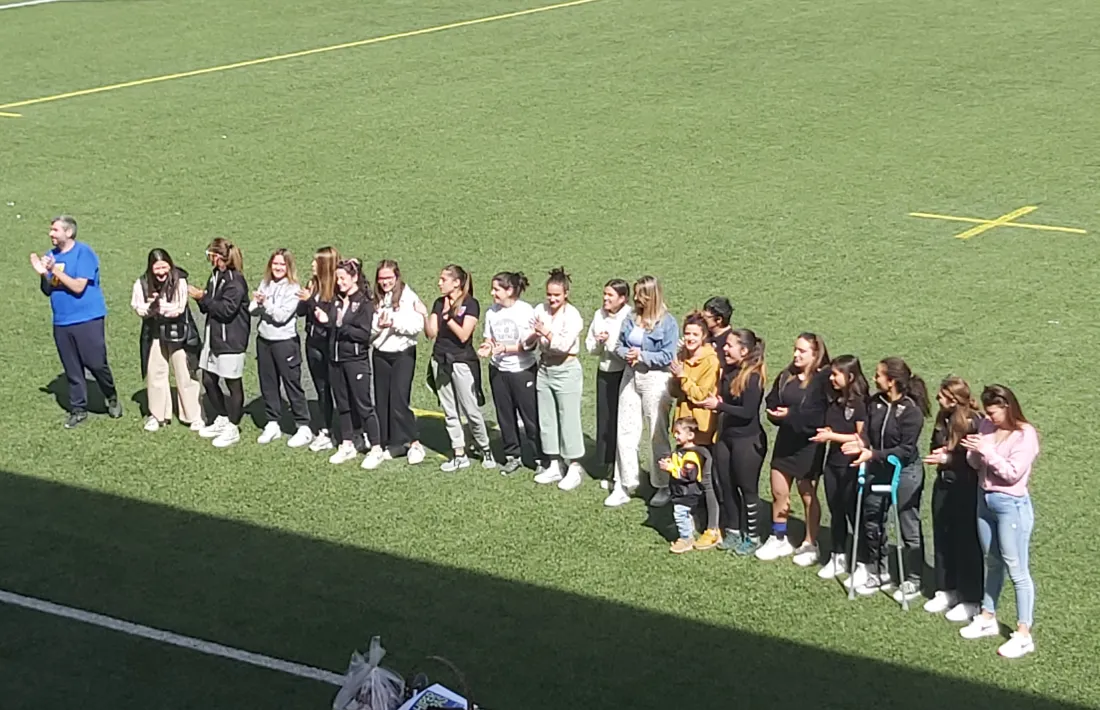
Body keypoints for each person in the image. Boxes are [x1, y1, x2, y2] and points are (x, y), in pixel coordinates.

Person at [958, 385, 1039, 659]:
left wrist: (987, 451)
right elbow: (976, 465)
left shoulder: (1025, 435)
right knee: (991, 561)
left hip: (1011, 506)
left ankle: (1024, 634)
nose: (989, 418)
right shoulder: (986, 426)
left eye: (994, 413)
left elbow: (1012, 474)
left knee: (1017, 570)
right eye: (988, 413)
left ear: (1007, 407)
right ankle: (987, 617)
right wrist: (974, 451)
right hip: (985, 500)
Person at [843, 357, 929, 601]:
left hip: (904, 472)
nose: (874, 378)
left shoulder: (911, 411)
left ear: (891, 381)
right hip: (877, 468)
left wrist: (873, 454)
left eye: (879, 375)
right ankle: (877, 570)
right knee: (873, 521)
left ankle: (913, 578)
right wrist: (859, 445)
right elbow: (867, 434)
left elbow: (905, 450)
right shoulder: (875, 402)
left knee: (907, 526)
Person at [30, 215, 122, 428]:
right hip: (62, 321)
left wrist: (52, 270)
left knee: (96, 363)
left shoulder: (84, 253)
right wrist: (43, 274)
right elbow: (47, 290)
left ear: (68, 233)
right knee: (72, 368)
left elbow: (79, 287)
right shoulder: (51, 255)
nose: (50, 234)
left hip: (87, 318)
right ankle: (78, 409)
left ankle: (111, 395)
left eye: (55, 230)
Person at [604, 276, 678, 508]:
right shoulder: (631, 317)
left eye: (641, 295)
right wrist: (628, 354)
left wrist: (643, 355)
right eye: (636, 294)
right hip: (630, 374)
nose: (637, 299)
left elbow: (668, 355)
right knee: (625, 429)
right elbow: (619, 344)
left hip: (656, 378)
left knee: (657, 432)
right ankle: (624, 483)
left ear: (652, 295)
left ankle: (663, 484)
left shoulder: (667, 322)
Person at [757, 333, 830, 564]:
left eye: (802, 351)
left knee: (808, 494)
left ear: (815, 354)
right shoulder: (787, 375)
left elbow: (818, 415)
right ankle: (779, 537)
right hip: (786, 440)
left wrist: (790, 414)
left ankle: (810, 542)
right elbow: (773, 399)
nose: (796, 354)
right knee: (779, 491)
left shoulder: (822, 381)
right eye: (795, 349)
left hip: (809, 444)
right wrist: (775, 413)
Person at [922, 376, 983, 620]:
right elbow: (934, 444)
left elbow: (975, 461)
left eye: (942, 394)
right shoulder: (943, 418)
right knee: (943, 536)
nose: (938, 398)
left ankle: (971, 598)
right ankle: (947, 589)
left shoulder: (973, 422)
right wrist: (939, 454)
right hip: (944, 484)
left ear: (953, 398)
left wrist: (948, 458)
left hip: (965, 488)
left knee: (966, 542)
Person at [315, 259, 386, 468]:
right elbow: (332, 325)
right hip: (336, 360)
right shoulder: (338, 301)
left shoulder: (364, 303)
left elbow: (363, 334)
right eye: (337, 278)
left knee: (364, 406)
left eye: (343, 278)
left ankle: (376, 447)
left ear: (354, 278)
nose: (339, 282)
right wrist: (326, 321)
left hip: (356, 361)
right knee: (343, 404)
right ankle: (347, 444)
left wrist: (338, 324)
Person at [702, 329, 767, 556]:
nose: (724, 349)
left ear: (744, 350)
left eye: (729, 346)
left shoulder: (754, 377)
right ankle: (732, 530)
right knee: (726, 485)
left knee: (747, 489)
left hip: (748, 443)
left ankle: (753, 536)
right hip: (727, 438)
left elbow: (748, 412)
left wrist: (719, 406)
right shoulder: (729, 372)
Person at [426, 265, 495, 472]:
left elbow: (464, 335)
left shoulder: (470, 304)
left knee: (471, 409)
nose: (439, 283)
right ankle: (459, 452)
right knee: (449, 410)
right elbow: (431, 333)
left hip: (462, 361)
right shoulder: (439, 303)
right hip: (440, 360)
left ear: (456, 282)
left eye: (443, 279)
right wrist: (424, 315)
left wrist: (448, 317)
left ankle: (485, 448)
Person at [131, 248, 202, 431]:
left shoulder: (180, 281)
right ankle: (157, 415)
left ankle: (193, 415)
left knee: (184, 372)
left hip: (179, 332)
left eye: (164, 267)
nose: (162, 272)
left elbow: (178, 308)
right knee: (156, 372)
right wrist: (150, 308)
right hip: (154, 332)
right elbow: (138, 307)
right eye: (157, 268)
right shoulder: (142, 283)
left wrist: (157, 305)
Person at [810, 355, 869, 580]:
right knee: (836, 512)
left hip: (852, 466)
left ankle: (862, 562)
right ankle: (838, 556)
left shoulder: (861, 404)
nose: (832, 378)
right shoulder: (835, 400)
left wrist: (831, 435)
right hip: (833, 464)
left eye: (837, 374)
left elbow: (861, 436)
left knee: (855, 514)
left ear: (850, 376)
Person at [529, 268, 586, 490]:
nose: (552, 299)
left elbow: (563, 345)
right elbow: (529, 338)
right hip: (545, 369)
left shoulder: (572, 316)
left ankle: (573, 466)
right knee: (547, 418)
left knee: (568, 419)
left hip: (566, 370)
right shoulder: (540, 310)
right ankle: (554, 463)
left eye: (557, 295)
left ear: (566, 294)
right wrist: (533, 335)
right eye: (549, 294)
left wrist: (545, 332)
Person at [189, 238, 249, 448]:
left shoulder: (235, 281)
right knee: (208, 379)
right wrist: (201, 298)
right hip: (213, 338)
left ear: (218, 256)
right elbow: (209, 307)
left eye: (210, 255)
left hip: (230, 340)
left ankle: (233, 426)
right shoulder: (215, 277)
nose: (208, 259)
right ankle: (222, 417)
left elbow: (226, 310)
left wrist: (202, 298)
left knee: (233, 384)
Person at [479, 271, 540, 476]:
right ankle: (512, 455)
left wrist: (505, 349)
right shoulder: (491, 312)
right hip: (498, 371)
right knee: (505, 416)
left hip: (523, 371)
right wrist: (487, 347)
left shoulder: (525, 311)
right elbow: (489, 338)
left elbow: (530, 345)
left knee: (530, 417)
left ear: (510, 290)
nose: (492, 293)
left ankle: (540, 456)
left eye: (497, 289)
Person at [250, 249, 313, 448]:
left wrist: (265, 303)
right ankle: (272, 423)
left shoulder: (293, 288)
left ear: (288, 267)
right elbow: (252, 310)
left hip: (285, 343)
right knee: (268, 383)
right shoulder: (265, 283)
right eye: (275, 264)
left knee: (291, 384)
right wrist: (258, 303)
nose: (278, 268)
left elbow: (281, 317)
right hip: (264, 340)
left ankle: (303, 426)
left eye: (282, 265)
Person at [372, 259, 428, 466]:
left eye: (389, 278)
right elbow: (369, 330)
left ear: (397, 277)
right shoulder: (376, 298)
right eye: (381, 278)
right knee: (382, 401)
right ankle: (394, 442)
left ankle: (414, 443)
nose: (385, 282)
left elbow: (417, 326)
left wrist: (394, 323)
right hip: (380, 354)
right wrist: (378, 327)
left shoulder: (408, 297)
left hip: (403, 355)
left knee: (398, 401)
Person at [584, 279, 631, 482]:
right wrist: (598, 342)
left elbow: (626, 350)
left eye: (610, 295)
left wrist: (609, 342)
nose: (605, 298)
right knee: (605, 420)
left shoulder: (629, 316)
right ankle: (606, 464)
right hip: (604, 372)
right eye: (605, 294)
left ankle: (620, 468)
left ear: (622, 298)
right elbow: (590, 347)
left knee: (621, 420)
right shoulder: (599, 314)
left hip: (623, 374)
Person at [298, 246, 341, 452]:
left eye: (316, 262)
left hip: (331, 345)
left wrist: (310, 300)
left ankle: (354, 431)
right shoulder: (312, 285)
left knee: (340, 389)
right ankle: (325, 429)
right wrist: (302, 298)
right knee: (321, 388)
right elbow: (301, 312)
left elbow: (328, 318)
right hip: (313, 343)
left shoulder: (337, 289)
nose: (312, 265)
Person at [659, 418, 721, 553]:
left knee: (680, 513)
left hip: (687, 492)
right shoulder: (680, 450)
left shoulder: (692, 455)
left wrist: (671, 468)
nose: (675, 435)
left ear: (690, 436)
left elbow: (689, 476)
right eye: (674, 432)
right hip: (682, 491)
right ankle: (691, 528)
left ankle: (686, 539)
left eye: (678, 433)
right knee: (687, 513)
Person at [670, 311, 721, 447]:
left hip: (700, 429)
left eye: (695, 334)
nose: (690, 338)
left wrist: (682, 376)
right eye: (687, 334)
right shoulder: (682, 356)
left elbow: (700, 395)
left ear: (704, 336)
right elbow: (674, 393)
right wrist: (674, 378)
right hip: (682, 426)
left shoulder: (710, 361)